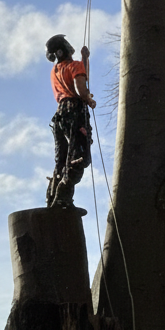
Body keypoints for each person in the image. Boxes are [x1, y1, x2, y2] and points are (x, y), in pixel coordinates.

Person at [45, 34, 95, 208]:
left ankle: (52, 197)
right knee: (80, 157)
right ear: (62, 50)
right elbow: (79, 85)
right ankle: (62, 196)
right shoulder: (74, 66)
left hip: (60, 115)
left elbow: (80, 75)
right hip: (74, 113)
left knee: (62, 160)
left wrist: (84, 59)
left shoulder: (56, 71)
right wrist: (87, 98)